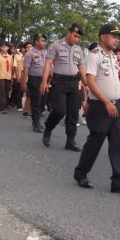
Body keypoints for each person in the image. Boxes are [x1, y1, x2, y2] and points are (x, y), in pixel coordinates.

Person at [73, 24, 120, 195]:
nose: (117, 39)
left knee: (118, 143)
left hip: (115, 105)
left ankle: (119, 181)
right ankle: (81, 173)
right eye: (114, 36)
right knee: (95, 142)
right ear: (103, 37)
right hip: (100, 106)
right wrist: (107, 102)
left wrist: (114, 102)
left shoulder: (112, 57)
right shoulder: (94, 56)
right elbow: (91, 81)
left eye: (119, 37)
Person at [39, 22, 88, 152]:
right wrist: (44, 82)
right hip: (59, 83)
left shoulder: (78, 50)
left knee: (73, 113)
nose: (76, 39)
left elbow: (81, 67)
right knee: (60, 110)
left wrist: (86, 83)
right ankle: (48, 128)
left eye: (79, 37)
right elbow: (48, 64)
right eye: (75, 36)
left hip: (73, 84)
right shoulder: (55, 46)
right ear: (69, 33)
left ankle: (70, 141)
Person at [0, 42, 12, 114]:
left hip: (8, 76)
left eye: (5, 47)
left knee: (7, 91)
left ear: (8, 48)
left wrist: (12, 77)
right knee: (2, 91)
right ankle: (2, 107)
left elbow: (11, 68)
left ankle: (7, 104)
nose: (4, 48)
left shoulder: (10, 57)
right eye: (2, 47)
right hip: (0, 76)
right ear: (0, 48)